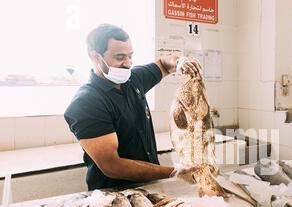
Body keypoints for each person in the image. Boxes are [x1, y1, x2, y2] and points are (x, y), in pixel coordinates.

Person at [64, 24, 202, 191]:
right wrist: (174, 172)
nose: (128, 64)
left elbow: (165, 64)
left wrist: (180, 62)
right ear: (95, 57)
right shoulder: (86, 103)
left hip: (150, 185)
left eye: (130, 56)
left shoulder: (133, 79)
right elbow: (113, 166)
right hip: (114, 194)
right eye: (120, 57)